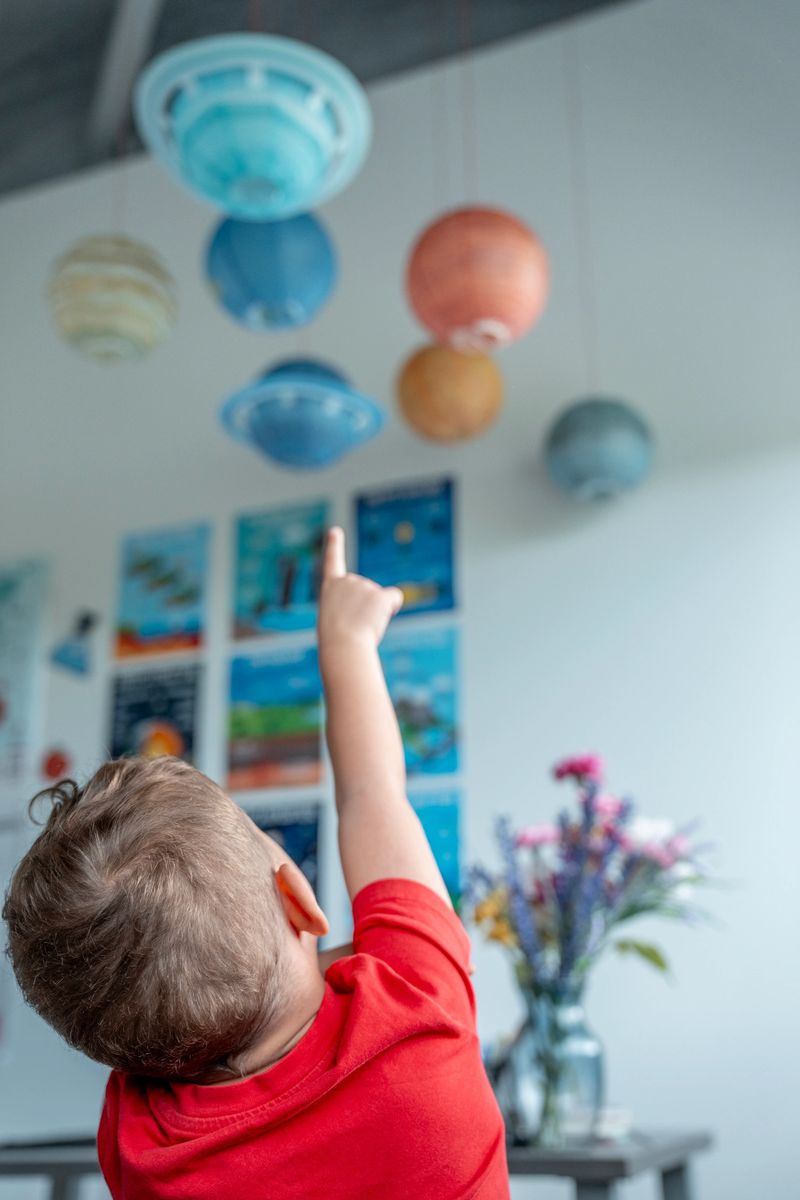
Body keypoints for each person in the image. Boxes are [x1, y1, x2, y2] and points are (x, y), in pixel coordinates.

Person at [3, 527, 509, 1198]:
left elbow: (151, 997)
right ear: (301, 897)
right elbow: (372, 796)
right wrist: (347, 644)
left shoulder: (143, 1143)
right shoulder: (419, 1009)